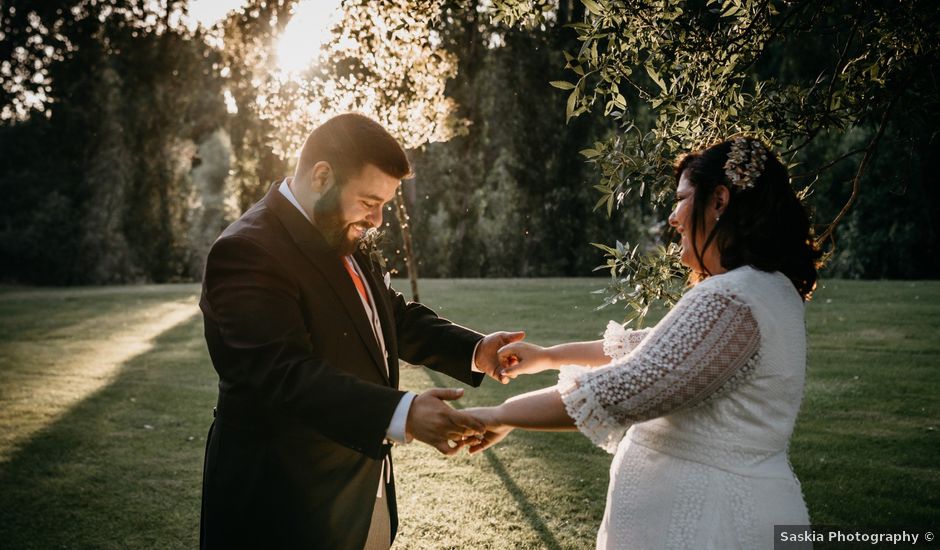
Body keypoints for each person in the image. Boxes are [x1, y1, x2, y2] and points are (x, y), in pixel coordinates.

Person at [464, 137, 822, 549]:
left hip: (708, 522)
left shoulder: (730, 299)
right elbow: (650, 347)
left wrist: (496, 414)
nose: (673, 218)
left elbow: (620, 389)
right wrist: (547, 356)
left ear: (719, 201)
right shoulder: (766, 289)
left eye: (683, 199)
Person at [198, 113, 523, 549]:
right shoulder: (247, 251)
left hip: (359, 492)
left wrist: (476, 349)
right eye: (371, 202)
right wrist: (404, 413)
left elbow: (390, 315)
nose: (378, 220)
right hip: (282, 507)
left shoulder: (337, 230)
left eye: (385, 205)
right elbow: (286, 375)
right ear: (322, 176)